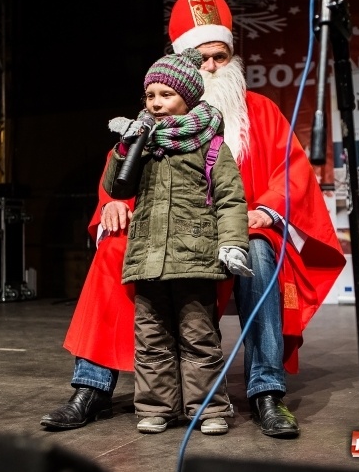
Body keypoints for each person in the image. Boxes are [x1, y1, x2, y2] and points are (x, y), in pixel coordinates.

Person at [41, 0, 346, 438]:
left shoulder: (259, 111)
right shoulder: (153, 117)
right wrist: (112, 206)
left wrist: (265, 210)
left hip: (230, 235)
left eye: (218, 57)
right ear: (183, 66)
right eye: (199, 59)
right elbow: (118, 172)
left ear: (232, 60)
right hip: (165, 235)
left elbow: (290, 171)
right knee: (114, 250)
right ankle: (92, 387)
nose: (210, 66)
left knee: (261, 253)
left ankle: (267, 391)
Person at [102, 48, 252, 435]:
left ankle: (208, 409)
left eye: (165, 95)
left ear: (188, 97)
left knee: (199, 337)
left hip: (195, 256)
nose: (155, 103)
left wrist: (233, 243)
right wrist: (125, 148)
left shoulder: (211, 145)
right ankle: (156, 408)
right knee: (151, 339)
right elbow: (115, 186)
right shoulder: (143, 144)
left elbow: (231, 199)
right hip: (149, 257)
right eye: (150, 96)